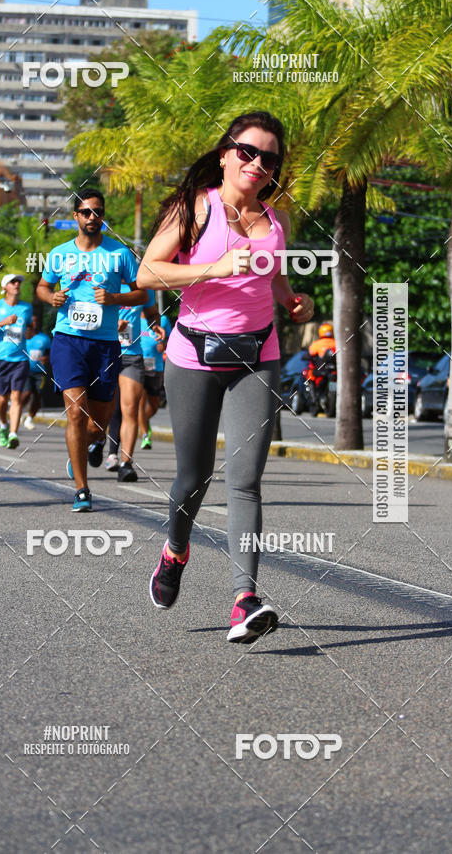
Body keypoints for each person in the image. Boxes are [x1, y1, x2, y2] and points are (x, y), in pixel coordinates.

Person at [137, 111, 314, 643]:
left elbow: (274, 273)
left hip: (257, 357)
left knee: (246, 481)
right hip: (193, 356)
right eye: (248, 152)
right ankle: (175, 550)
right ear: (225, 153)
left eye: (269, 158)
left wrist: (291, 301)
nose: (258, 164)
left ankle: (245, 600)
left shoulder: (273, 221)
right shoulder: (196, 207)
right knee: (193, 479)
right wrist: (214, 268)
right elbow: (148, 272)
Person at [36, 188, 147, 512]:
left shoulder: (119, 254)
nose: (92, 217)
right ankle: (82, 489)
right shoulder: (59, 254)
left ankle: (91, 444)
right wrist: (50, 297)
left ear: (103, 215)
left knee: (98, 423)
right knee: (74, 412)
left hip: (105, 345)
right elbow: (43, 287)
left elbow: (142, 294)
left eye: (97, 211)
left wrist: (114, 299)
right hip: (68, 340)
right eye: (85, 212)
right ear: (75, 216)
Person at [105, 294, 164, 481]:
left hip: (131, 357)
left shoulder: (141, 289)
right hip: (103, 353)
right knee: (104, 411)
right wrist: (111, 329)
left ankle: (125, 464)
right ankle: (97, 441)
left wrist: (155, 325)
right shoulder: (100, 279)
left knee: (129, 409)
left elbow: (152, 313)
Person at [0, 274, 33, 449]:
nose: (16, 285)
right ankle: (4, 425)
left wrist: (28, 333)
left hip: (20, 359)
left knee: (16, 397)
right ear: (5, 287)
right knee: (2, 399)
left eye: (18, 282)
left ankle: (13, 433)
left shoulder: (27, 308)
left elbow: (28, 328)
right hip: (1, 359)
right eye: (13, 282)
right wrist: (4, 322)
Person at [138, 311, 171, 450]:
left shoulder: (163, 320)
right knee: (140, 402)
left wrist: (163, 345)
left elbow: (171, 338)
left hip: (155, 366)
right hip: (136, 364)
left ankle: (143, 420)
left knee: (154, 405)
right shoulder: (133, 317)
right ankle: (146, 435)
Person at [23, 315, 51, 429]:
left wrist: (46, 358)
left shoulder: (44, 338)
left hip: (40, 371)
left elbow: (50, 353)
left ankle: (29, 419)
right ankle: (18, 412)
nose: (33, 323)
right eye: (31, 321)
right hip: (25, 370)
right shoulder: (23, 337)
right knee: (26, 393)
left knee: (38, 395)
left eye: (35, 321)